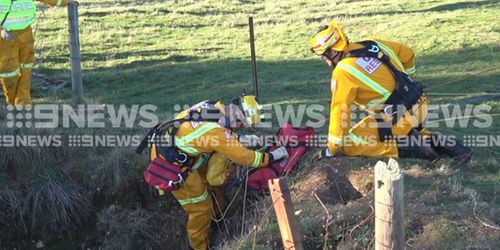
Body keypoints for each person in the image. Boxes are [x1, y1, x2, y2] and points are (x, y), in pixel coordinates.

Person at [309, 21, 472, 162]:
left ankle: (409, 150)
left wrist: (332, 148)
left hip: (397, 117)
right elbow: (408, 53)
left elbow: (340, 110)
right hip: (421, 103)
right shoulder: (372, 43)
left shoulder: (343, 71)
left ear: (331, 52)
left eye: (324, 57)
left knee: (348, 144)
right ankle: (431, 140)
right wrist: (408, 79)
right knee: (392, 127)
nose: (325, 61)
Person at [146, 95, 288, 250]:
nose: (240, 127)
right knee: (201, 208)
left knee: (209, 182)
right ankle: (198, 246)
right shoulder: (216, 131)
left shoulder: (213, 105)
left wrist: (242, 140)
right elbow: (246, 158)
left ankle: (217, 215)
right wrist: (272, 156)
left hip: (172, 147)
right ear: (238, 114)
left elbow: (216, 136)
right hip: (171, 165)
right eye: (241, 124)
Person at [0, 0, 75, 106]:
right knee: (9, 71)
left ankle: (23, 102)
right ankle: (12, 103)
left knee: (26, 68)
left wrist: (65, 2)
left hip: (25, 31)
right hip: (4, 36)